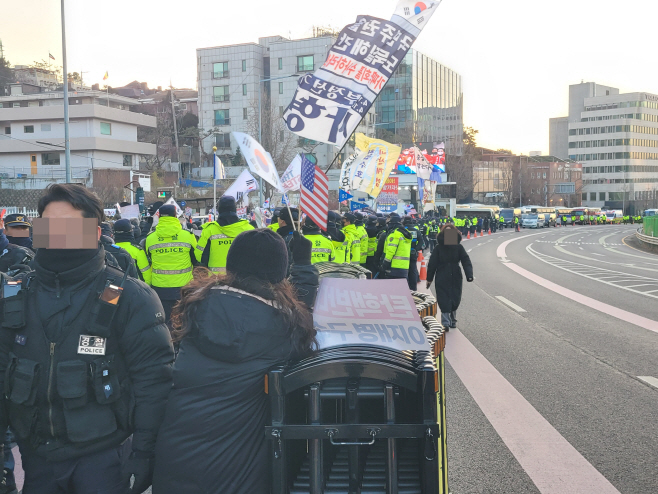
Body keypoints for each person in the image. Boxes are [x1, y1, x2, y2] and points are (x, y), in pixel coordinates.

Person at [0, 183, 174, 494]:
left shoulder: (131, 297)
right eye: (48, 226)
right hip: (36, 456)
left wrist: (146, 453)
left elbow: (154, 382)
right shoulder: (14, 294)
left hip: (104, 457)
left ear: (93, 233)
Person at [152, 229, 318, 493]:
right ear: (281, 273)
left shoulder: (198, 307)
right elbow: (304, 321)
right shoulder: (285, 327)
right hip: (238, 471)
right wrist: (306, 269)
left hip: (176, 461)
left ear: (231, 265)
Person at [145, 205, 198, 323]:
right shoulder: (188, 236)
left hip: (160, 288)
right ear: (175, 216)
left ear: (158, 216)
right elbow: (196, 260)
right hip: (184, 287)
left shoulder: (150, 238)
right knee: (184, 323)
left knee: (165, 322)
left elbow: (148, 260)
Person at [425, 224, 473, 329]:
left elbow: (466, 260)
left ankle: (453, 320)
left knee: (455, 297)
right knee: (443, 298)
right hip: (442, 274)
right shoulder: (438, 248)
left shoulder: (458, 247)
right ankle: (445, 322)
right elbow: (432, 264)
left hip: (455, 275)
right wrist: (429, 278)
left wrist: (469, 275)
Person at [195, 196, 254, 275]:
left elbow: (198, 256)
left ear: (219, 210)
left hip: (215, 280)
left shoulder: (209, 230)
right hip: (242, 280)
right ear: (235, 209)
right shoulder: (248, 229)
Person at [113, 219, 152, 284]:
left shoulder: (109, 248)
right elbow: (146, 273)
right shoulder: (137, 250)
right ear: (130, 231)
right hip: (135, 287)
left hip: (113, 289)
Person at [380, 213, 412, 280]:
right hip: (404, 266)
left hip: (394, 267)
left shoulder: (394, 235)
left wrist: (384, 264)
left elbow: (390, 251)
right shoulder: (405, 233)